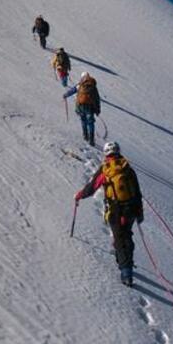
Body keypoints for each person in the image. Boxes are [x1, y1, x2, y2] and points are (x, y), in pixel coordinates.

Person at [74, 142, 143, 286]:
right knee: (126, 236)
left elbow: (92, 187)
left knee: (119, 240)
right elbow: (137, 192)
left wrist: (80, 195)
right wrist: (139, 212)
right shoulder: (127, 168)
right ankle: (125, 261)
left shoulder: (105, 169)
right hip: (131, 209)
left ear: (106, 153)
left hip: (115, 210)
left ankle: (126, 272)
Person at [63, 71, 100, 146]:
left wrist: (65, 95)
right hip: (90, 107)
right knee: (91, 123)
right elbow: (97, 98)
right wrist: (98, 109)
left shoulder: (80, 85)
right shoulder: (93, 86)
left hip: (80, 106)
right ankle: (91, 140)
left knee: (83, 120)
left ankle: (85, 136)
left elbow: (72, 91)